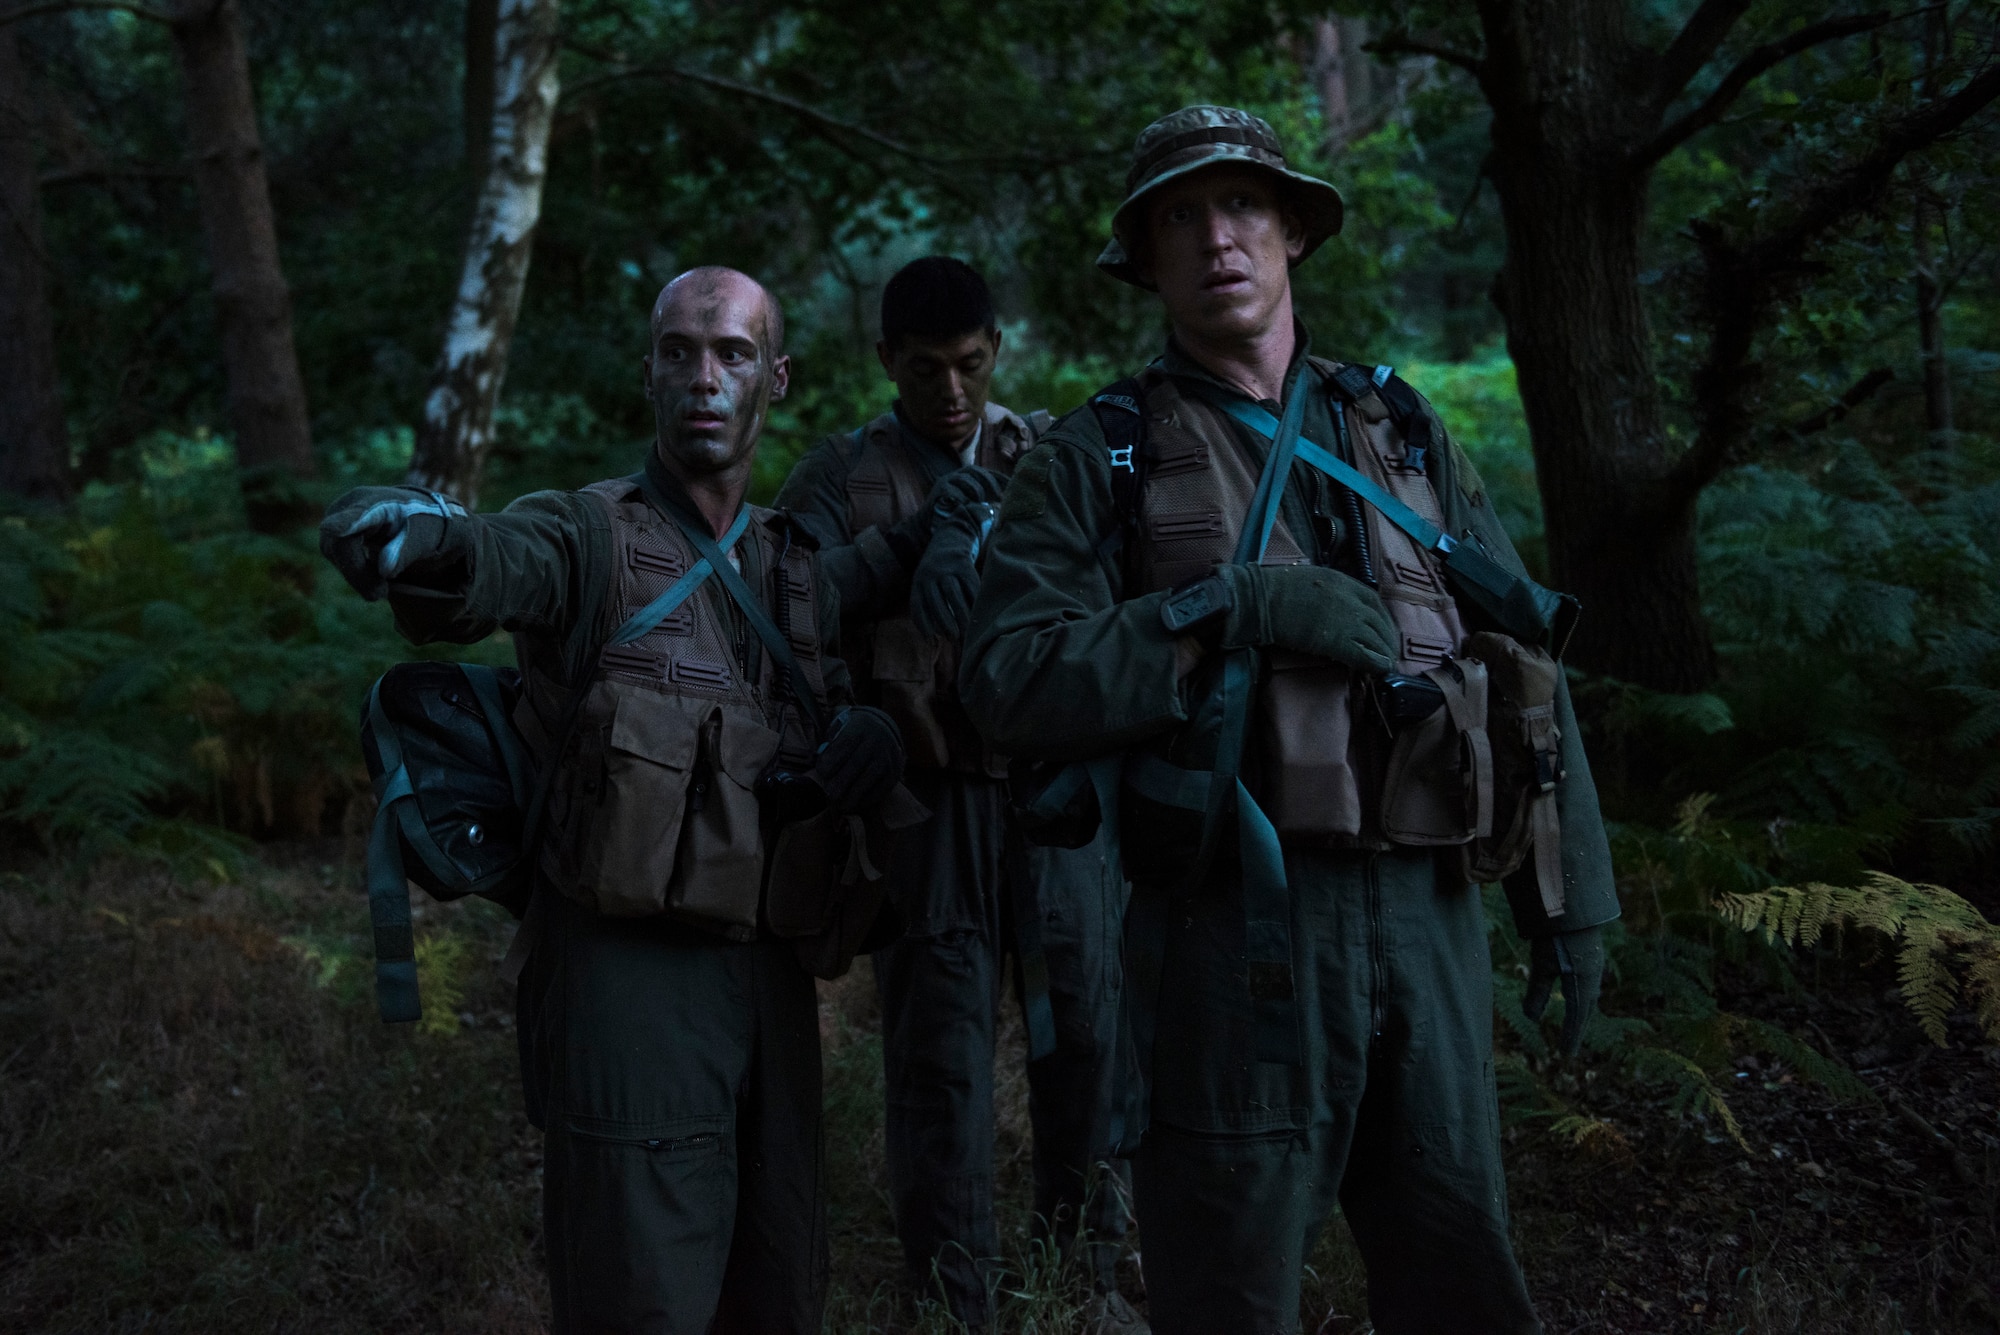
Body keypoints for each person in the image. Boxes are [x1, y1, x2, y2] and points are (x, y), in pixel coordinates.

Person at [960, 106, 1620, 1335]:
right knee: (1229, 1287)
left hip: (1429, 924)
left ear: (1293, 233)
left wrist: (1571, 898)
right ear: (1146, 259)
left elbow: (1527, 665)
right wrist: (1225, 608)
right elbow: (1006, 679)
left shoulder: (1403, 429)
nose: (1217, 238)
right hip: (1230, 940)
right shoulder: (1097, 453)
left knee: (1460, 1271)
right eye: (1179, 216)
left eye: (1243, 206)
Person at [320, 267, 905, 1335]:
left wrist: (867, 741)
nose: (703, 377)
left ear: (775, 377)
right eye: (678, 352)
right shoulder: (588, 537)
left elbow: (851, 701)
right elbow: (490, 560)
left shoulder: (795, 569)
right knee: (641, 1295)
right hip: (624, 987)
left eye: (730, 353)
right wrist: (414, 533)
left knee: (777, 1285)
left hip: (770, 988)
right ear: (647, 374)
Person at [775, 257, 1138, 1331]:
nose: (950, 393)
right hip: (927, 812)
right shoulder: (840, 474)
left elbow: (1114, 601)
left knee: (1088, 1038)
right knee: (940, 1071)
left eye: (970, 367)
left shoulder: (1052, 458)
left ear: (996, 353)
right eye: (925, 369)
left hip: (1052, 798)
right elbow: (787, 616)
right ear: (884, 360)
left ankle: (1087, 1281)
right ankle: (954, 1303)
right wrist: (911, 546)